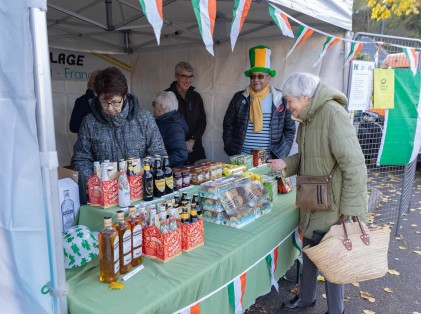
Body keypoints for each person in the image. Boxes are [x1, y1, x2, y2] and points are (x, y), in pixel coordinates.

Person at [267, 73, 368, 314]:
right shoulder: (308, 117)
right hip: (313, 198)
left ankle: (336, 310)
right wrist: (286, 164)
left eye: (290, 101)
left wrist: (351, 209)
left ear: (305, 97)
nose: (287, 106)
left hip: (333, 204)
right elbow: (307, 157)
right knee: (311, 252)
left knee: (333, 260)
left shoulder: (332, 114)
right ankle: (306, 300)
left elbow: (354, 164)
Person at [71, 67, 167, 183]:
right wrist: (94, 181)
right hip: (105, 192)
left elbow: (159, 156)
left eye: (116, 102)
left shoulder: (144, 119)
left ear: (124, 96)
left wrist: (128, 170)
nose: (110, 108)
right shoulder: (89, 123)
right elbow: (81, 159)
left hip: (140, 189)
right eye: (104, 102)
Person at [223, 45, 295, 159]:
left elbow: (289, 129)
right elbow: (228, 124)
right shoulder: (239, 97)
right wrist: (230, 148)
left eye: (260, 76)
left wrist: (281, 153)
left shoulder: (280, 98)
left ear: (269, 78)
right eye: (252, 76)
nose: (256, 80)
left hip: (270, 159)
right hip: (242, 157)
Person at [166, 62, 206, 164]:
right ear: (176, 76)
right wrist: (181, 144)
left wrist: (192, 140)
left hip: (193, 149)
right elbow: (164, 126)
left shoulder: (196, 97)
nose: (188, 80)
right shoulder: (166, 96)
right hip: (174, 152)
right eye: (184, 76)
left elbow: (202, 122)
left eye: (190, 77)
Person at [153, 91, 189, 167]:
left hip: (171, 172)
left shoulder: (173, 126)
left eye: (154, 104)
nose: (153, 107)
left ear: (160, 107)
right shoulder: (169, 120)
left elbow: (181, 154)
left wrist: (160, 165)